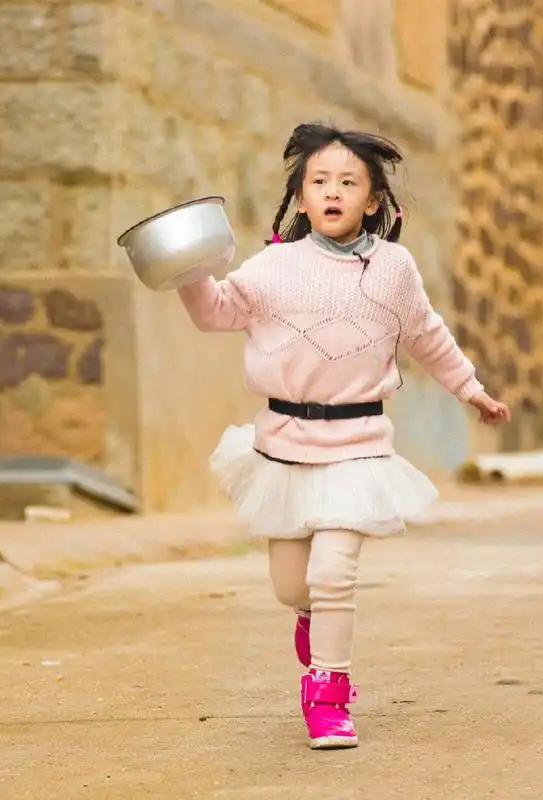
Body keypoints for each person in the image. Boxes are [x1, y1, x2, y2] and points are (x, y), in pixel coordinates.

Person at [176, 122, 511, 750]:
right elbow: (216, 311)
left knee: (335, 573)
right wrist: (187, 272)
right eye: (319, 181)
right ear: (301, 199)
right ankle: (310, 617)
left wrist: (471, 390)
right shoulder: (274, 265)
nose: (333, 191)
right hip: (282, 444)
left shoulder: (394, 269)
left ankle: (328, 695)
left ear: (375, 201)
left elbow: (427, 335)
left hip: (358, 445)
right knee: (292, 587)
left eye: (349, 182)